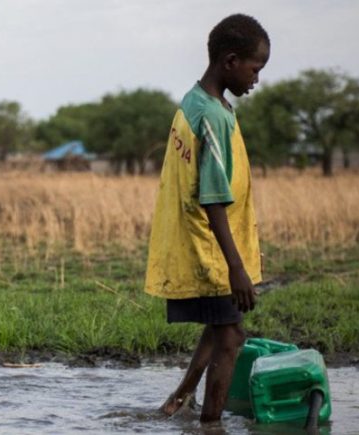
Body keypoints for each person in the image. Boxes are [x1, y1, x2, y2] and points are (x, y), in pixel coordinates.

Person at [144, 14, 269, 422]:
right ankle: (211, 424)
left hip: (204, 242)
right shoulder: (212, 117)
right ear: (230, 61)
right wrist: (236, 268)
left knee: (221, 326)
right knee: (231, 335)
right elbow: (214, 198)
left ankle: (178, 400)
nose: (257, 78)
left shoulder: (195, 101)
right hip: (210, 249)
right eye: (255, 68)